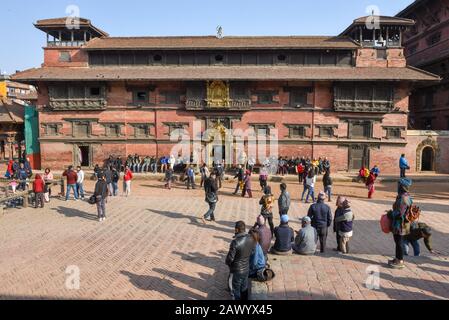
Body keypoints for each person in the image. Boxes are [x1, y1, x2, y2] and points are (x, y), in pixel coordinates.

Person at [226, 221, 256, 301]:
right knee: (244, 289)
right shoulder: (251, 238)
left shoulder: (235, 242)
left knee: (235, 290)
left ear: (236, 230)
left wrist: (229, 264)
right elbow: (252, 252)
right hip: (246, 268)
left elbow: (230, 259)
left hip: (236, 270)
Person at [388, 178, 413, 269]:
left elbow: (400, 213)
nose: (397, 187)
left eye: (399, 185)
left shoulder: (403, 198)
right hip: (400, 223)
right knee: (397, 241)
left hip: (400, 224)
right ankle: (397, 258)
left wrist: (390, 214)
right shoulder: (404, 195)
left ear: (402, 187)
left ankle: (400, 261)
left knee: (399, 242)